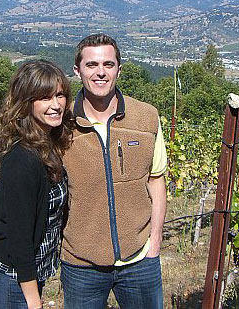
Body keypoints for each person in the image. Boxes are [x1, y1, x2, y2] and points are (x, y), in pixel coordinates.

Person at [61, 33, 168, 308]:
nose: (100, 73)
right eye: (91, 65)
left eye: (108, 65)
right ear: (77, 70)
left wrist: (155, 240)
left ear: (119, 69)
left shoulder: (147, 117)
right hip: (81, 263)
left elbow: (156, 180)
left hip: (139, 260)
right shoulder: (61, 125)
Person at [0, 60, 73, 309]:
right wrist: (33, 299)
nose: (56, 105)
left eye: (60, 95)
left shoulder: (44, 143)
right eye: (44, 97)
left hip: (23, 276)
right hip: (11, 278)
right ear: (26, 102)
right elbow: (18, 234)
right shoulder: (23, 157)